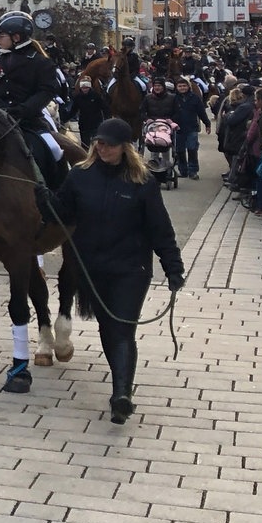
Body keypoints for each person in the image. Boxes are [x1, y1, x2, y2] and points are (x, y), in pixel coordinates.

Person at [48, 118, 183, 424]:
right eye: (99, 142)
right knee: (108, 329)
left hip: (130, 269)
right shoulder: (80, 177)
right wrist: (47, 202)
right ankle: (120, 384)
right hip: (93, 269)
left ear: (125, 147)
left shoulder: (142, 181)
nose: (102, 147)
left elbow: (160, 228)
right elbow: (64, 213)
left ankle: (121, 395)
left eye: (109, 143)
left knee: (123, 330)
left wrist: (173, 266)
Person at [0, 11, 66, 187]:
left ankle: (58, 194)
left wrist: (24, 109)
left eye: (1, 35)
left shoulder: (40, 62)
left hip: (28, 120)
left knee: (54, 149)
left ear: (16, 37)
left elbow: (47, 91)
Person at [171, 77, 209, 180]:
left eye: (184, 86)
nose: (182, 88)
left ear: (188, 86)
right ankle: (183, 170)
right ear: (176, 87)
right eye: (180, 86)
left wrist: (207, 123)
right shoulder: (173, 98)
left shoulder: (195, 98)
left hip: (191, 127)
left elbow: (201, 112)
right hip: (178, 128)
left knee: (192, 149)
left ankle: (193, 170)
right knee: (180, 151)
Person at [68, 75, 108, 146]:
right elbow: (74, 110)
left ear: (89, 87)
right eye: (83, 88)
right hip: (84, 124)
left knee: (97, 143)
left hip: (96, 123)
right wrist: (65, 118)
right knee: (85, 144)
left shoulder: (96, 96)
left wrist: (107, 119)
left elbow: (104, 107)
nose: (85, 89)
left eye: (86, 88)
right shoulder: (78, 97)